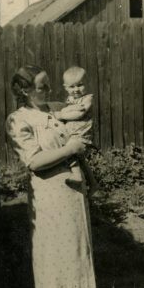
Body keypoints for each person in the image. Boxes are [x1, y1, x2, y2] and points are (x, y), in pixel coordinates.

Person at [6, 65, 96, 288]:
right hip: (49, 194)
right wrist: (70, 149)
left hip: (74, 190)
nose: (49, 89)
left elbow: (81, 120)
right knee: (55, 250)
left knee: (77, 247)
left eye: (48, 84)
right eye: (42, 86)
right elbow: (34, 161)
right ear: (25, 91)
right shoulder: (19, 120)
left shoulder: (57, 108)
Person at [54, 66, 99, 195]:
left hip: (81, 134)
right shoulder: (69, 101)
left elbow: (78, 115)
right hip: (71, 134)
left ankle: (76, 175)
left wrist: (61, 115)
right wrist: (65, 111)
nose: (76, 90)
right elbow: (68, 111)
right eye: (72, 87)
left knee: (69, 151)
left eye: (80, 85)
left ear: (87, 84)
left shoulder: (87, 99)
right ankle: (93, 184)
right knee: (81, 160)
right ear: (65, 87)